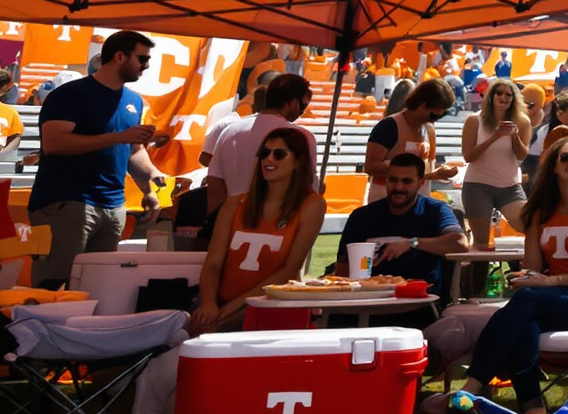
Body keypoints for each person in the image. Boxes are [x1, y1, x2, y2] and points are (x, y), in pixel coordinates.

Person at [438, 134, 568, 414]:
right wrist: (525, 277)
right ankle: (534, 410)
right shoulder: (541, 211)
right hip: (563, 296)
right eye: (565, 157)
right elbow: (532, 266)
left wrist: (546, 282)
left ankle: (473, 384)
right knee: (525, 317)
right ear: (553, 167)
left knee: (528, 301)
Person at [29, 30, 168, 286]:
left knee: (96, 288)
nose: (146, 66)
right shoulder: (70, 94)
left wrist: (151, 179)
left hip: (113, 207)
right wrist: (118, 137)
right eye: (142, 59)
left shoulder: (133, 101)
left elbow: (134, 151)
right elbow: (54, 143)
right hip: (66, 203)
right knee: (56, 286)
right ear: (119, 56)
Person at [191, 126, 326, 334]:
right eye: (264, 153)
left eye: (279, 154)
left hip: (271, 302)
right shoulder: (235, 204)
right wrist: (209, 303)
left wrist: (232, 307)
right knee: (196, 326)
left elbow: (289, 270)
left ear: (298, 162)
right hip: (224, 301)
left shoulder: (311, 205)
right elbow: (213, 263)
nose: (269, 159)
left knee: (216, 331)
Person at [341, 152, 465, 291]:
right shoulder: (362, 216)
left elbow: (459, 242)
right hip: (368, 297)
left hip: (418, 300)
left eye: (407, 181)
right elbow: (343, 267)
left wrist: (412, 243)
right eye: (393, 180)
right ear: (386, 180)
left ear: (421, 182)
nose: (399, 188)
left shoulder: (435, 210)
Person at [207, 71, 315, 211]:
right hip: (277, 223)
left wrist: (215, 221)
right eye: (303, 106)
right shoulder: (301, 136)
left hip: (231, 221)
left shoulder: (230, 132)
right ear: (294, 104)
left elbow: (215, 183)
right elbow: (306, 184)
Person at [459, 77, 532, 245]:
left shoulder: (522, 122)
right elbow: (468, 156)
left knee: (531, 227)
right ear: (491, 96)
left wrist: (514, 136)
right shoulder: (474, 120)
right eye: (499, 93)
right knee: (481, 243)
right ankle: (477, 271)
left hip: (510, 188)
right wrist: (494, 137)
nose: (503, 97)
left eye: (508, 94)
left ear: (514, 99)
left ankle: (526, 269)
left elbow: (521, 155)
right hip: (478, 186)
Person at [363, 77, 454, 183]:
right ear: (423, 106)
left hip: (419, 194)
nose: (436, 118)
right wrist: (418, 174)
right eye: (434, 114)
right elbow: (371, 166)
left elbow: (429, 165)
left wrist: (441, 171)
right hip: (386, 194)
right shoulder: (389, 126)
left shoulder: (428, 128)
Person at [0, 68, 23, 160]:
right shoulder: (10, 112)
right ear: (4, 88)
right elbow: (16, 136)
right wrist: (4, 153)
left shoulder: (11, 112)